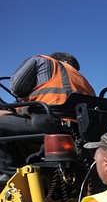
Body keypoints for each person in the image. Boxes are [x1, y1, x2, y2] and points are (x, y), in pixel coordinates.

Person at [0, 53, 96, 182]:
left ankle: (11, 173)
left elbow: (17, 88)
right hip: (79, 129)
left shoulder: (41, 61)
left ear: (57, 59)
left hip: (49, 121)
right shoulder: (83, 81)